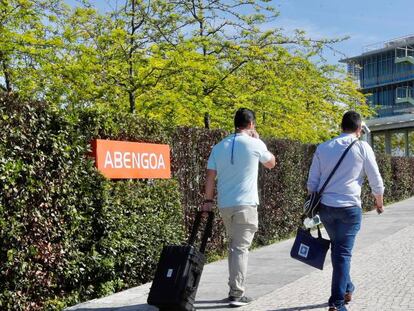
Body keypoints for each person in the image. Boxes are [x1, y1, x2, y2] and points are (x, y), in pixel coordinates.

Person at [307, 111, 385, 311]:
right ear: (359, 129)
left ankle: (347, 287)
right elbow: (375, 179)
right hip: (349, 209)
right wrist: (379, 202)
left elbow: (312, 184)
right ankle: (337, 302)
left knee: (339, 249)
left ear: (341, 127)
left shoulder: (323, 148)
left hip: (326, 209)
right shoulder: (362, 147)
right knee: (342, 252)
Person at [201, 108, 276, 307]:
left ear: (235, 124)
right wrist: (260, 140)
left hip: (225, 204)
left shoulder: (218, 147)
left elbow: (210, 176)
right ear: (251, 124)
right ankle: (236, 293)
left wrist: (207, 201)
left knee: (234, 247)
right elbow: (271, 163)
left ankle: (234, 287)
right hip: (246, 204)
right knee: (240, 248)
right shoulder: (255, 143)